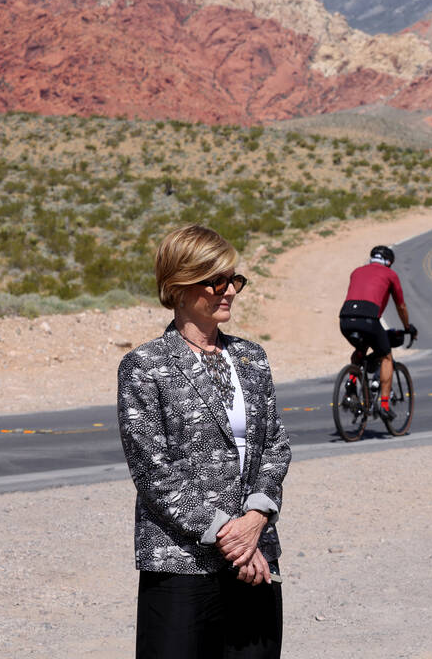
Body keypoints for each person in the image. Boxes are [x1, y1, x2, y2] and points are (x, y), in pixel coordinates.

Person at [118, 224, 291, 658]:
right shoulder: (144, 366)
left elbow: (275, 445)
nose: (228, 290)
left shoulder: (252, 358)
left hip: (255, 558)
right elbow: (154, 472)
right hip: (182, 564)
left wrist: (255, 520)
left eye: (235, 280)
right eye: (216, 280)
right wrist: (228, 535)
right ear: (178, 286)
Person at [340, 244, 415, 408]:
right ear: (389, 262)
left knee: (360, 351)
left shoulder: (357, 271)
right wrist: (407, 327)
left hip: (345, 319)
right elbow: (401, 306)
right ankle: (385, 404)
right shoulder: (390, 274)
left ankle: (351, 385)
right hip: (368, 319)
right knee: (386, 356)